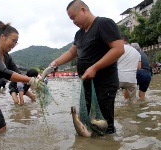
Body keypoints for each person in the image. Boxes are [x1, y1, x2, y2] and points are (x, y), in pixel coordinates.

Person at [49, 0, 124, 134]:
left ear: (83, 10)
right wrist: (56, 62)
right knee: (90, 120)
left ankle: (109, 144)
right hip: (87, 84)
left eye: (73, 17)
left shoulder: (104, 24)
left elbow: (118, 49)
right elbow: (72, 52)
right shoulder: (79, 34)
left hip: (104, 83)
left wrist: (94, 68)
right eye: (70, 19)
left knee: (105, 123)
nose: (73, 21)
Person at [118, 35, 141, 102]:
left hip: (119, 77)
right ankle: (134, 111)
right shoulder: (137, 52)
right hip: (132, 79)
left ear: (123, 41)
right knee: (133, 101)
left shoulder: (118, 48)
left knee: (111, 98)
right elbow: (139, 67)